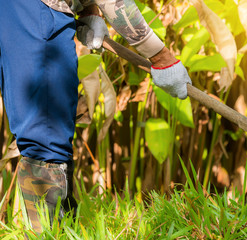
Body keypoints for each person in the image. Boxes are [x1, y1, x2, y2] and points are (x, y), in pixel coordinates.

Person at [0, 0, 191, 234]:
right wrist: (161, 58)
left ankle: (63, 231)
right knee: (45, 133)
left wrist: (88, 9)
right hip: (33, 11)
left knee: (45, 131)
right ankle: (48, 234)